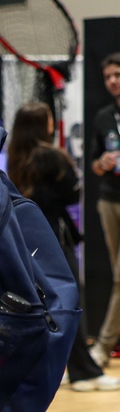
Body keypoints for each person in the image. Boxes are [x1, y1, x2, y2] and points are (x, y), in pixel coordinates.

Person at [7, 101, 120, 391]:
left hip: (29, 239)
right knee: (69, 302)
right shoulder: (50, 156)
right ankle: (84, 371)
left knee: (51, 304)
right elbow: (72, 193)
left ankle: (69, 366)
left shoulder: (16, 156)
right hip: (53, 239)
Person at [88, 52, 120, 369]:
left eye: (117, 75)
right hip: (110, 201)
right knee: (117, 276)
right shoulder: (103, 117)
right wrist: (103, 163)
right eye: (108, 76)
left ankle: (103, 345)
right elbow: (94, 165)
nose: (112, 81)